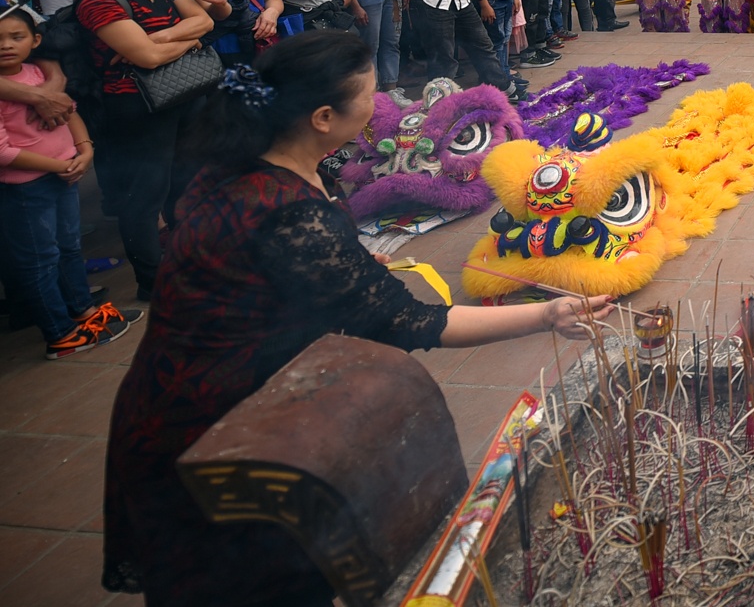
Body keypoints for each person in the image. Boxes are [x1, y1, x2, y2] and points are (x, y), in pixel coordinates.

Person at [102, 32, 613, 605]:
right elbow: (410, 322)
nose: (380, 103)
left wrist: (332, 265)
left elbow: (259, 266)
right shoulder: (285, 211)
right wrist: (547, 313)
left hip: (212, 391)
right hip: (217, 428)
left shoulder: (251, 162)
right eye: (369, 95)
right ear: (323, 118)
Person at [63, 0, 221, 299]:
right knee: (145, 196)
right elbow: (148, 59)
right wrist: (185, 38)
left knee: (187, 182)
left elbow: (205, 22)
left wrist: (158, 38)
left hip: (186, 93)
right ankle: (153, 281)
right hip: (139, 106)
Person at [0, 5, 130, 359]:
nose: (6, 45)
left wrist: (84, 150)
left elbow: (69, 112)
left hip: (64, 173)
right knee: (40, 260)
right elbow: (4, 152)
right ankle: (60, 333)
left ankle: (83, 311)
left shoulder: (37, 74)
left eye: (16, 37)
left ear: (35, 41)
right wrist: (59, 164)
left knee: (69, 247)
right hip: (27, 187)